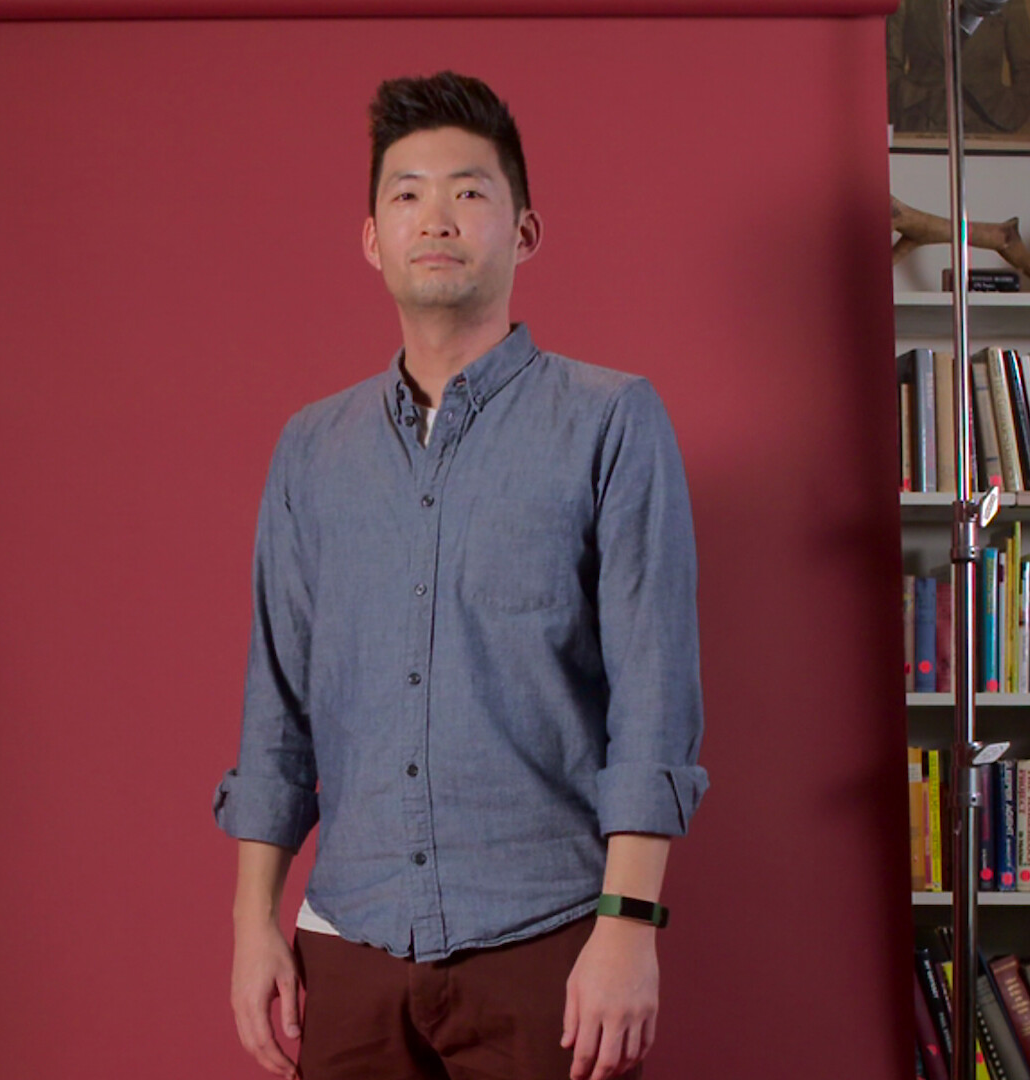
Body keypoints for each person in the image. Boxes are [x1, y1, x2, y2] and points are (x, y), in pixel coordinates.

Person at [214, 71, 708, 1080]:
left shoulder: (610, 421)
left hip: (548, 940)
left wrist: (627, 925)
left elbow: (653, 697)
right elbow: (277, 706)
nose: (435, 217)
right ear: (371, 238)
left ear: (523, 232)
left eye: (469, 191)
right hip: (347, 944)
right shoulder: (311, 449)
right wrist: (251, 924)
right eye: (405, 194)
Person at [887, 0, 1030, 135]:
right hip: (921, 122)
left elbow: (1026, 68)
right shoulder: (906, 2)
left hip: (991, 121)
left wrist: (1012, 112)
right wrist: (905, 107)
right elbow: (889, 64)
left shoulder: (1007, 2)